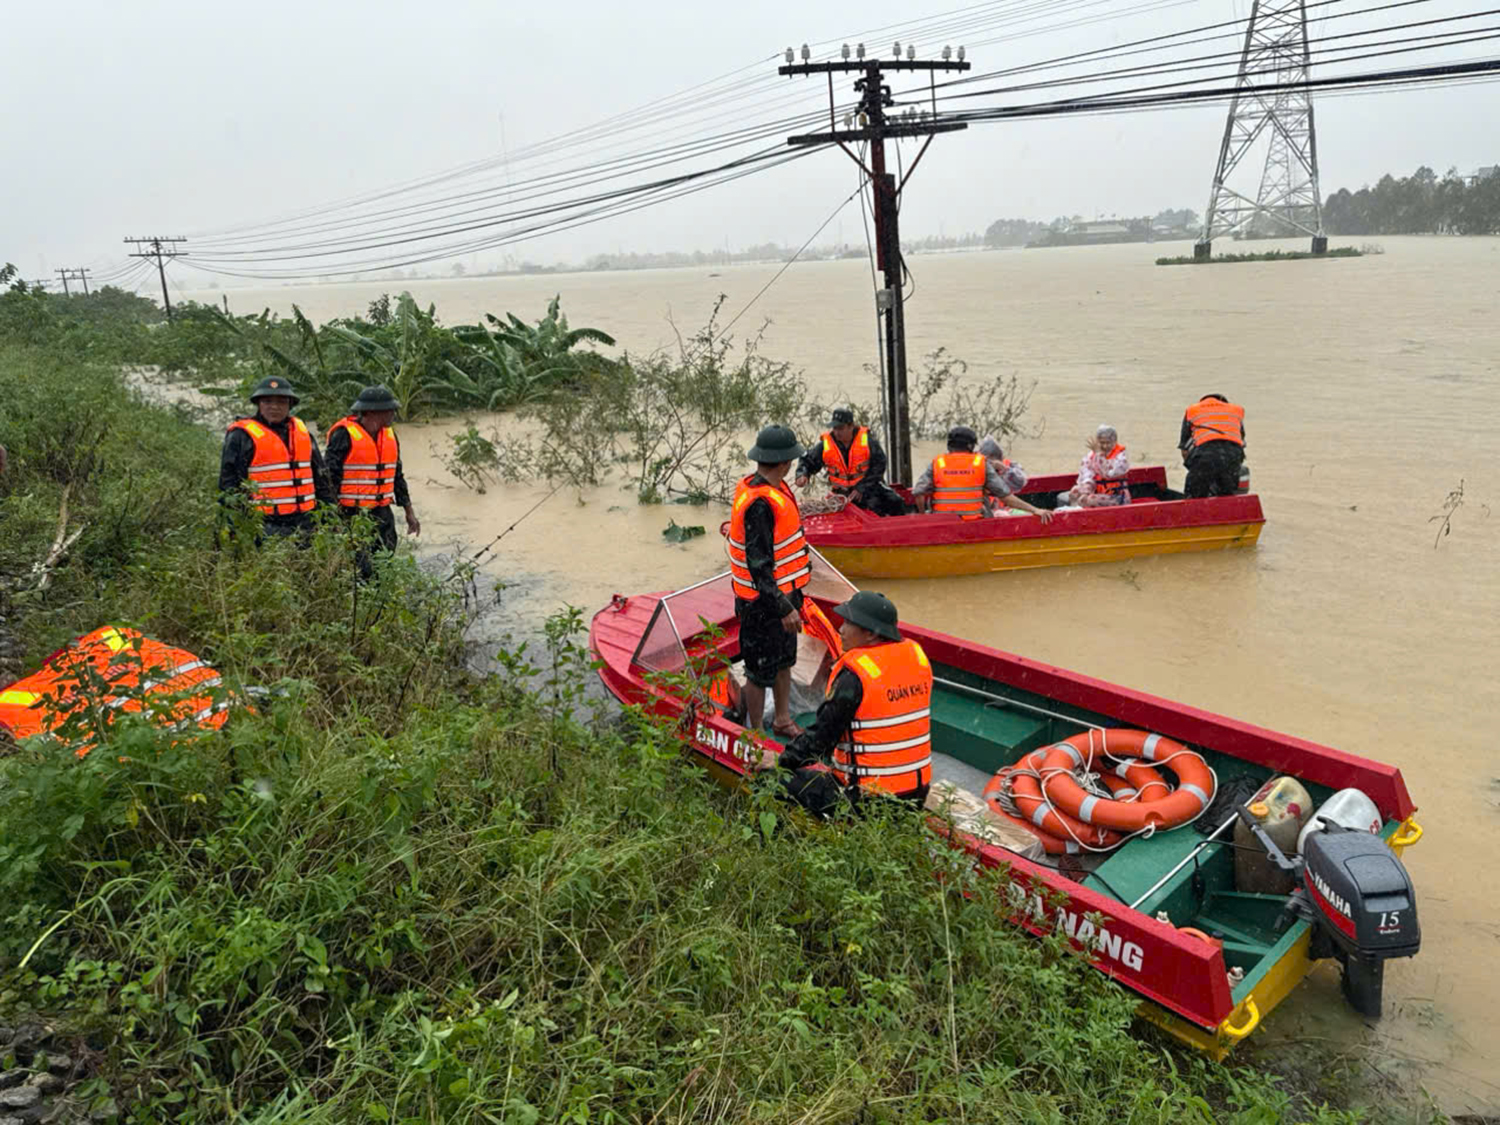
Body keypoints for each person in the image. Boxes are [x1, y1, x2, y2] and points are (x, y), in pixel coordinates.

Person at [777, 591, 932, 818]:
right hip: (916, 794)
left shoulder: (856, 676)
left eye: (849, 623)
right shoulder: (917, 659)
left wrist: (781, 760)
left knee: (774, 780)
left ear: (869, 634)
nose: (840, 630)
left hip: (868, 801)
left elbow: (820, 739)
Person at [725, 424, 812, 739]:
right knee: (758, 671)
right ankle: (757, 734)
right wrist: (782, 607)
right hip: (762, 604)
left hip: (785, 596)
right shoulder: (760, 504)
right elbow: (759, 564)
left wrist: (789, 602)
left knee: (784, 660)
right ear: (786, 463)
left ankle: (783, 720)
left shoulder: (769, 490)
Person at [218, 376, 333, 539]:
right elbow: (228, 484)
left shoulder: (303, 434)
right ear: (258, 404)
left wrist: (331, 515)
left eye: (281, 402)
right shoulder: (241, 436)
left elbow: (321, 479)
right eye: (268, 402)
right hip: (264, 523)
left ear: (289, 405)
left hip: (306, 520)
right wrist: (240, 524)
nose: (274, 407)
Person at [325, 385, 421, 569]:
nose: (394, 413)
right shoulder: (343, 435)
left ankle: (382, 596)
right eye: (389, 410)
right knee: (361, 568)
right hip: (352, 514)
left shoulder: (390, 436)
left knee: (385, 563)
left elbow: (397, 477)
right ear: (371, 412)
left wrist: (409, 512)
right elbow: (329, 478)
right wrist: (333, 519)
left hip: (383, 514)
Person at [912, 426, 1052, 522]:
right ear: (971, 446)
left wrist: (923, 515)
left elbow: (918, 492)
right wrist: (1035, 510)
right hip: (974, 523)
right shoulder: (981, 463)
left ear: (949, 445)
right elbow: (1006, 498)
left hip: (941, 522)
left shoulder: (938, 463)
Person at [794, 407, 905, 516]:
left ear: (851, 426)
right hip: (841, 494)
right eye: (835, 428)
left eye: (841, 428)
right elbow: (807, 460)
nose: (837, 432)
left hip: (868, 489)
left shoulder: (867, 442)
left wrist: (861, 487)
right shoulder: (826, 445)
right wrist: (802, 474)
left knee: (896, 502)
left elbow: (879, 465)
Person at [1180, 393, 1246, 498]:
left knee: (1194, 497)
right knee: (1227, 497)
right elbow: (1241, 442)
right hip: (1232, 456)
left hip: (1205, 455)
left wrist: (1194, 470)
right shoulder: (1235, 410)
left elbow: (1184, 449)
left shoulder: (1193, 410)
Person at [1058, 425, 1131, 507]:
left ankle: (1086, 517)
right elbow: (1088, 475)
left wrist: (1099, 455)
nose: (1105, 446)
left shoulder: (1121, 456)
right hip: (1098, 492)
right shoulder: (1092, 455)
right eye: (1102, 443)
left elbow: (1108, 474)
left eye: (1108, 443)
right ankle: (1072, 514)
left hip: (1117, 496)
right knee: (1075, 493)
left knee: (1089, 500)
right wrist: (1086, 490)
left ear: (1114, 442)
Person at [977, 435, 1029, 514]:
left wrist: (1005, 469)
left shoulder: (1008, 466)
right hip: (982, 513)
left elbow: (1021, 483)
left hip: (1006, 510)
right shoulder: (974, 466)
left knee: (1026, 516)